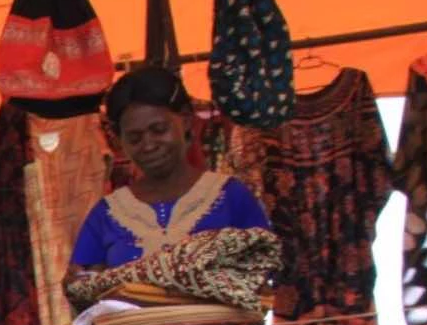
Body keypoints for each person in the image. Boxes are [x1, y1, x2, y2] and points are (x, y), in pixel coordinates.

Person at [65, 66, 273, 284]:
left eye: (159, 130)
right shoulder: (107, 214)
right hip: (135, 320)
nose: (148, 145)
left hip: (219, 320)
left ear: (185, 119)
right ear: (120, 142)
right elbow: (86, 286)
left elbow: (263, 270)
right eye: (135, 138)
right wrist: (75, 283)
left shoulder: (232, 197)